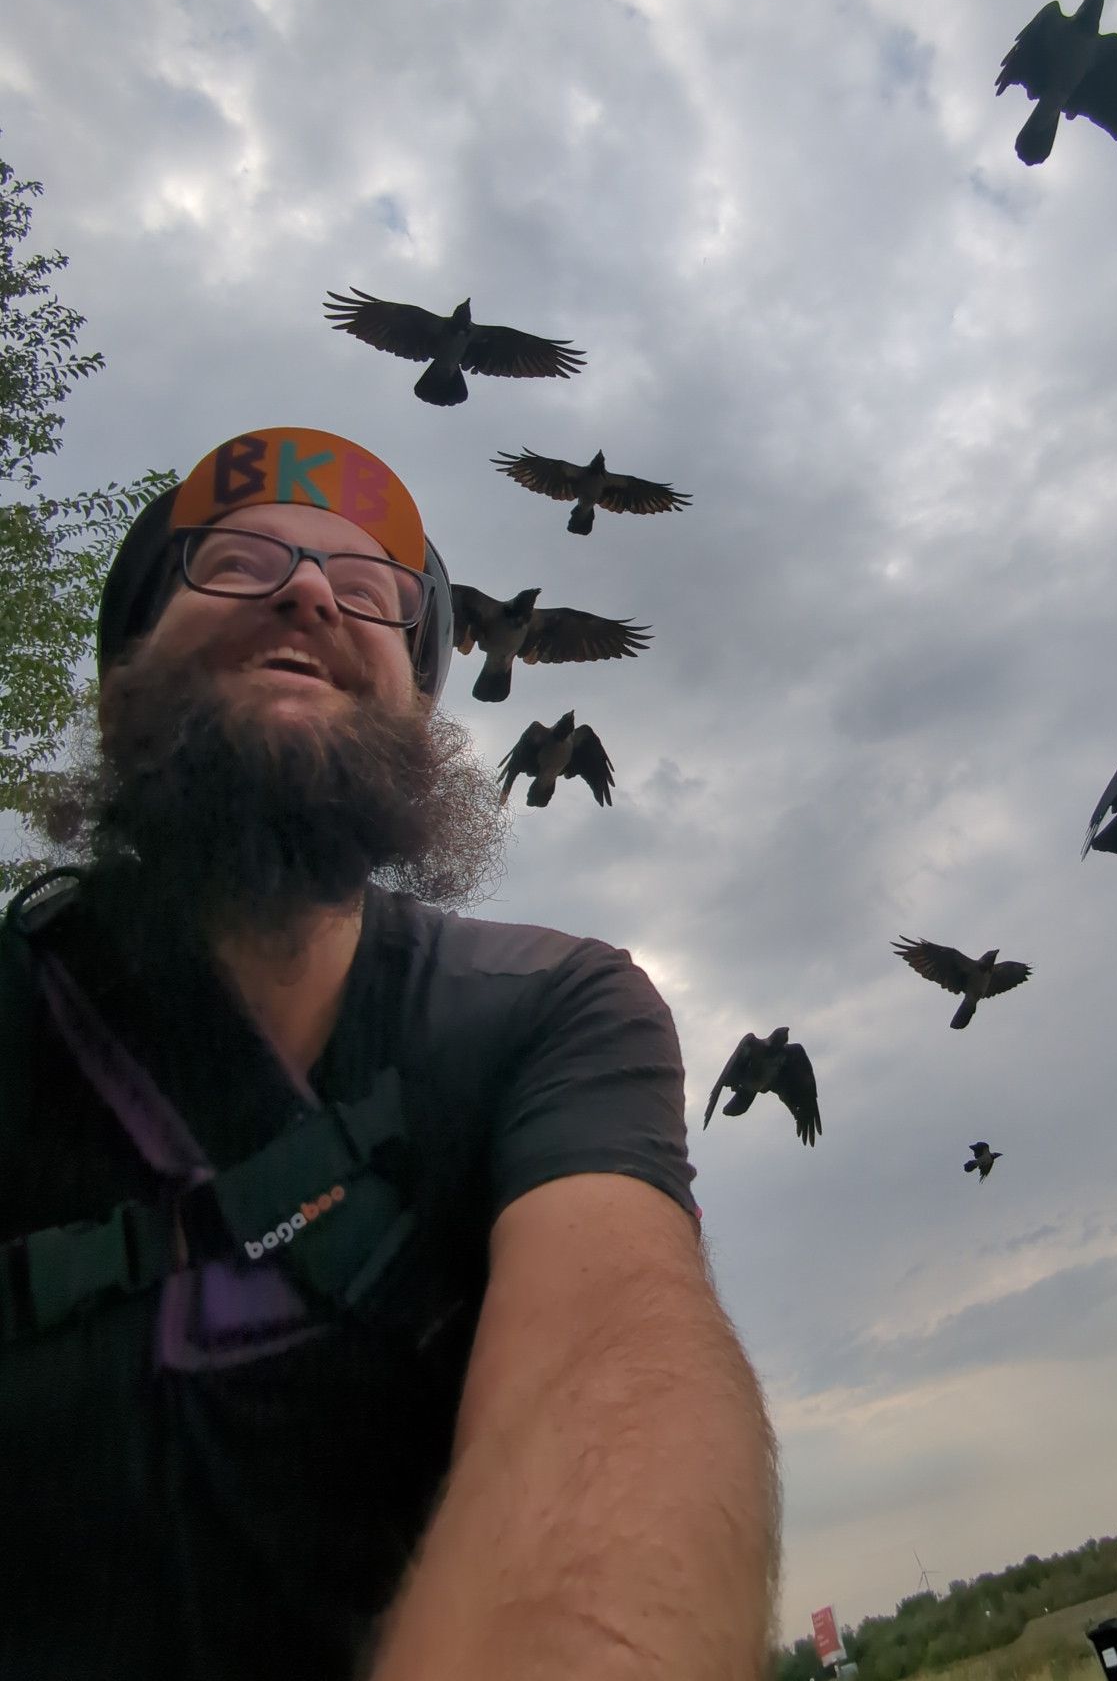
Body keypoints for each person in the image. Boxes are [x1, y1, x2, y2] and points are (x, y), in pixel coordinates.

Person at [0, 426, 779, 1681]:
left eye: (370, 593)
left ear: (422, 710)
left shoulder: (553, 1012)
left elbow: (616, 1364)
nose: (308, 590)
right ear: (117, 671)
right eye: (241, 560)